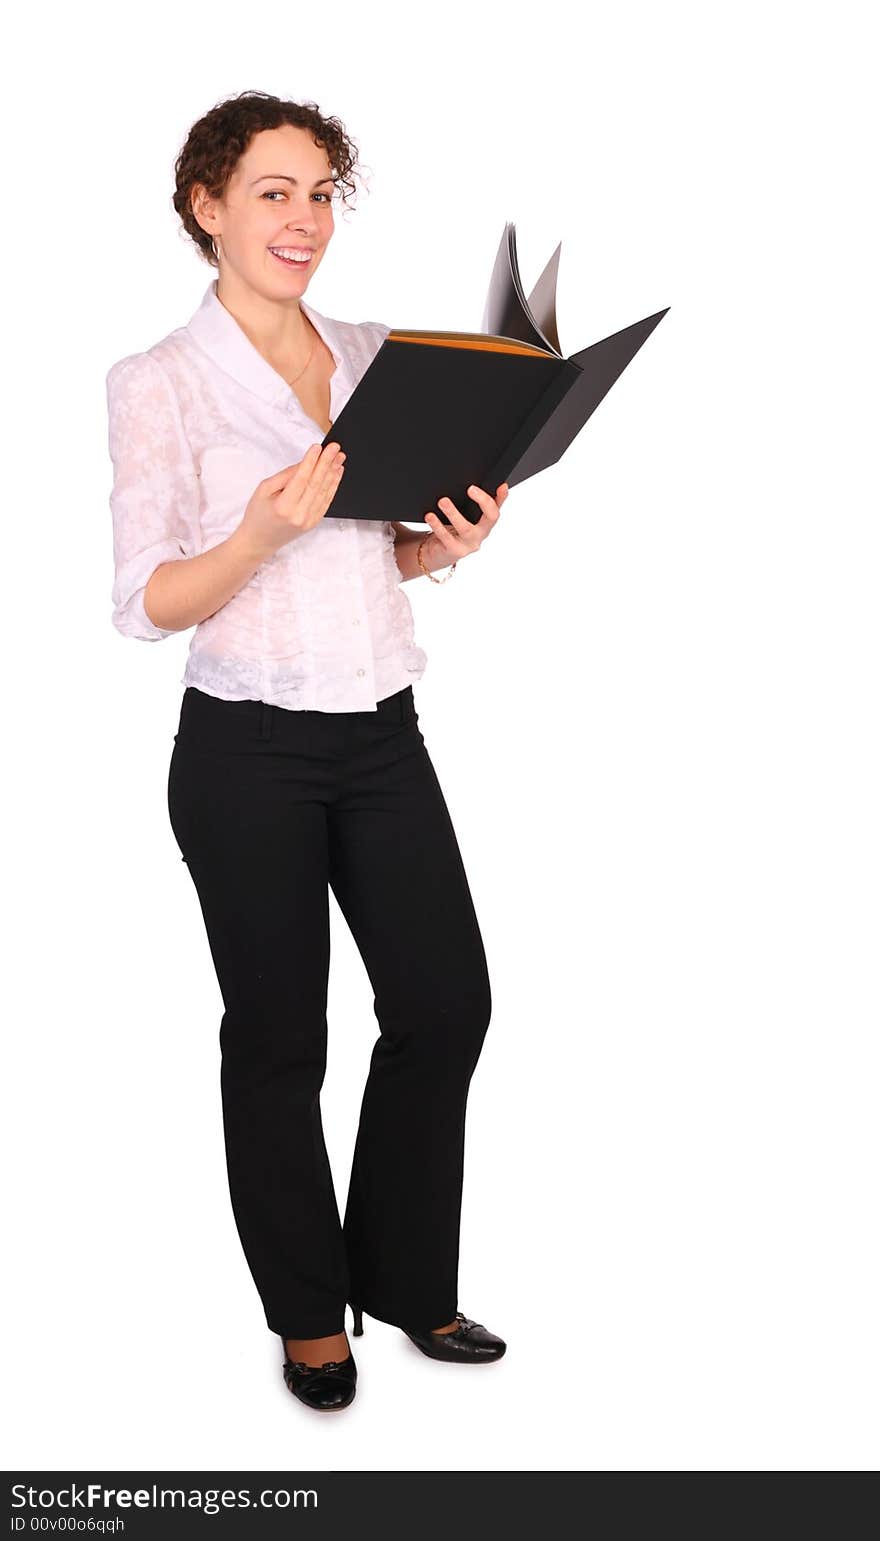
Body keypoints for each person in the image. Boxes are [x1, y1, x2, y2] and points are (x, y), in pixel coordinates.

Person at [105, 91, 510, 1413]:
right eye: (274, 191)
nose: (304, 218)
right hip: (246, 755)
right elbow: (144, 599)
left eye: (323, 191)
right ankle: (305, 1309)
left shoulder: (377, 349)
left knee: (446, 1002)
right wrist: (255, 539)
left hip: (383, 735)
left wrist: (437, 548)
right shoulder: (157, 383)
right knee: (281, 1038)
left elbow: (377, 543)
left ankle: (403, 1278)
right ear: (206, 207)